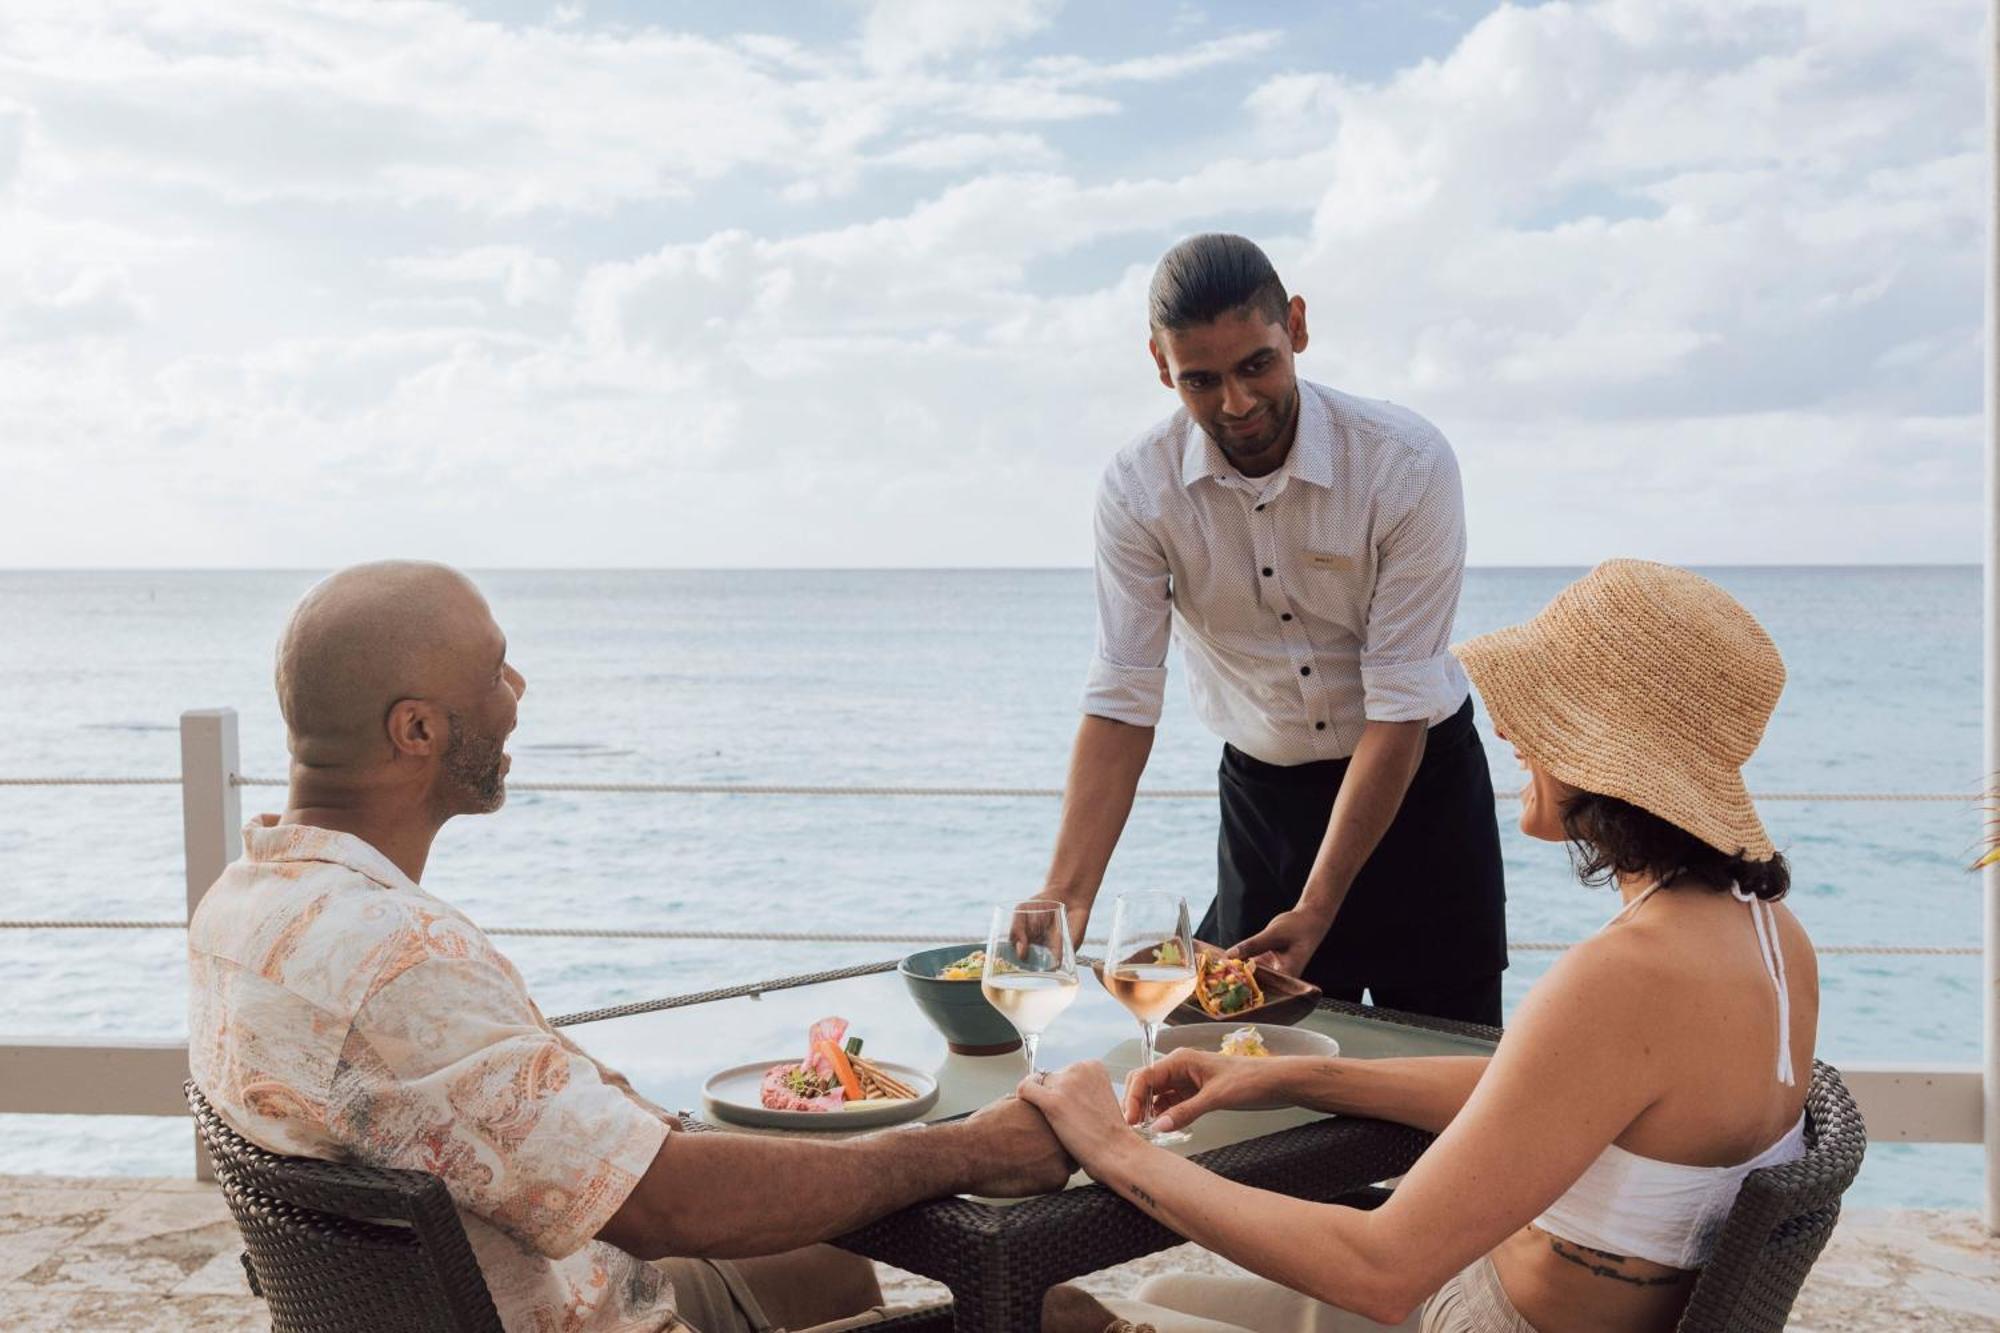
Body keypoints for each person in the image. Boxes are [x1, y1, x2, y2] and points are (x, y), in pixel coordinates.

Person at [187, 560, 1072, 1333]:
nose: (519, 690)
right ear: (415, 730)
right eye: (496, 670)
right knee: (1048, 1308)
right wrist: (974, 1147)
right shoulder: (400, 961)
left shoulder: (244, 904)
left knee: (824, 1262)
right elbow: (663, 1204)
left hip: (480, 1293)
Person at [1023, 559, 1817, 1333]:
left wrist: (1112, 1150)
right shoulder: (1773, 937)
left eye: (1538, 713)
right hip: (1495, 1292)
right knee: (1164, 1287)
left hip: (1477, 1314)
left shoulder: (1626, 974)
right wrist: (1284, 1076)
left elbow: (1379, 1269)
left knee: (1063, 1313)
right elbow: (1547, 1086)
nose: (1503, 727)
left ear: (1603, 757)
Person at [1037, 233, 1506, 1025]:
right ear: (1160, 365)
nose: (1237, 404)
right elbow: (1123, 695)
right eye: (1201, 380)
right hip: (1265, 807)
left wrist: (1319, 906)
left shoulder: (1406, 463)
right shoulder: (1137, 489)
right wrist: (1064, 898)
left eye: (1257, 364)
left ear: (1295, 325)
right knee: (1247, 1096)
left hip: (1420, 790)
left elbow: (1398, 705)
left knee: (1443, 1084)